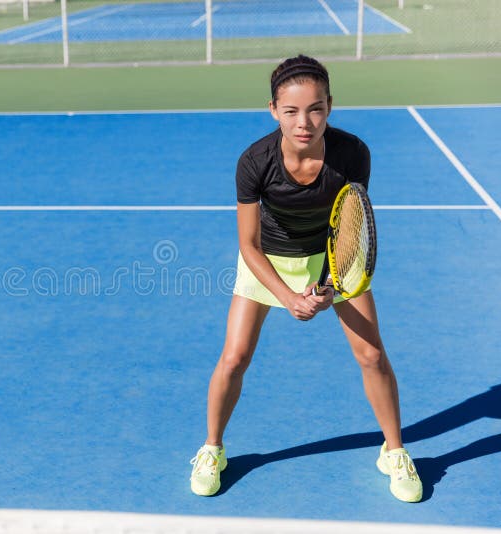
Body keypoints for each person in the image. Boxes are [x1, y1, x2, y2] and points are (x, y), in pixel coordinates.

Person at [189, 55, 422, 503]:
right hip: (268, 262)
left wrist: (332, 282)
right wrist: (289, 297)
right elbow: (249, 245)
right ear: (273, 110)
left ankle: (394, 451)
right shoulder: (254, 161)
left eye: (315, 109)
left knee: (372, 354)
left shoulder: (351, 153)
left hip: (333, 254)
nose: (304, 122)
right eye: (291, 111)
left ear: (329, 107)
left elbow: (351, 227)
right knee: (234, 358)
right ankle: (212, 448)